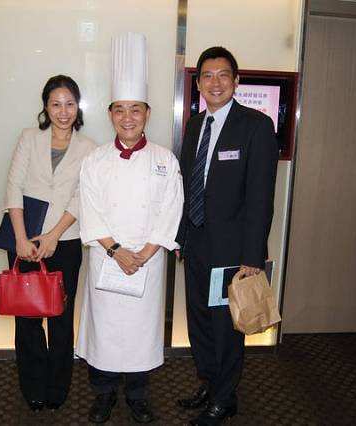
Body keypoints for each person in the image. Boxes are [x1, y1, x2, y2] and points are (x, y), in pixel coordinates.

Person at [76, 32, 183, 424]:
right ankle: (103, 394)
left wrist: (144, 254)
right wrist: (115, 251)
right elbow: (90, 210)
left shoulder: (165, 160)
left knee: (140, 334)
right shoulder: (95, 160)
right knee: (104, 331)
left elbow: (171, 210)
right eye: (119, 110)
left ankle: (137, 396)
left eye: (135, 109)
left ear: (147, 114)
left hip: (146, 261)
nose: (127, 117)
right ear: (110, 115)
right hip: (107, 257)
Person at [175, 47, 279, 425]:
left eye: (223, 75)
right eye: (207, 76)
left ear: (236, 81)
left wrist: (252, 256)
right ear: (199, 83)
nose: (214, 83)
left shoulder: (255, 126)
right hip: (196, 242)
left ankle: (224, 398)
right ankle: (209, 382)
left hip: (232, 251)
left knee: (226, 326)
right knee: (200, 321)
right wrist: (181, 236)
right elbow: (187, 185)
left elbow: (260, 196)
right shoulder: (194, 126)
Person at [3, 75, 96, 411]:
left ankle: (57, 386)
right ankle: (33, 386)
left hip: (65, 242)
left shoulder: (89, 148)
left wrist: (54, 235)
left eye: (69, 104)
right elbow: (13, 186)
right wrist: (20, 238)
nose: (63, 111)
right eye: (56, 104)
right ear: (46, 106)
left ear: (78, 107)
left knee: (60, 317)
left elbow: (81, 197)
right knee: (27, 318)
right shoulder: (29, 138)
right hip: (24, 239)